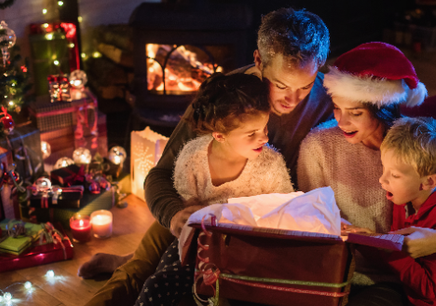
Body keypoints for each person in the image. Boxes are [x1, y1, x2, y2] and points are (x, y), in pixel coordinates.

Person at [83, 8, 332, 306]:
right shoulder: (226, 98)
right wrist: (175, 214)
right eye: (280, 85)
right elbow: (160, 176)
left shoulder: (327, 102)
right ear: (258, 61)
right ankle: (129, 265)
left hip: (255, 229)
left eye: (304, 86)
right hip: (205, 213)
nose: (292, 99)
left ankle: (130, 260)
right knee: (139, 276)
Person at [136, 73, 293, 305]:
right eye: (252, 134)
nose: (264, 137)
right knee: (158, 284)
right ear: (219, 135)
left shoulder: (270, 164)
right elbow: (188, 214)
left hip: (249, 252)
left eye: (264, 127)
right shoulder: (193, 158)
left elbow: (286, 210)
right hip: (200, 244)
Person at [297, 42, 428, 305]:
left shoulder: (416, 148)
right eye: (336, 108)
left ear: (383, 109)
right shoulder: (318, 146)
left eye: (355, 113)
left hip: (393, 279)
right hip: (329, 273)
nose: (341, 121)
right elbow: (309, 219)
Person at [376, 116, 436, 305]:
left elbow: (430, 292)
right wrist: (363, 239)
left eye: (394, 175)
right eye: (383, 168)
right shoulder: (402, 202)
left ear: (428, 182)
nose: (382, 180)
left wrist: (391, 251)